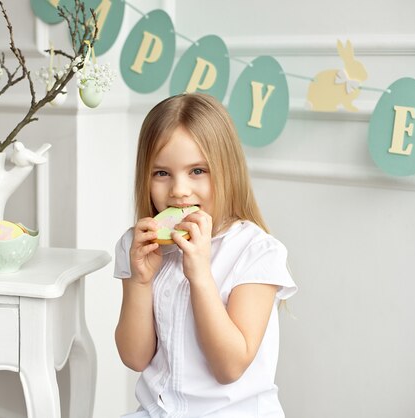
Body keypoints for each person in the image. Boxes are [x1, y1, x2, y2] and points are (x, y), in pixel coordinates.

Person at [114, 93, 297, 417]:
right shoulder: (139, 245)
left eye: (197, 171)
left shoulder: (254, 251)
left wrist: (199, 274)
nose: (179, 190)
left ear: (226, 170)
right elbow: (135, 357)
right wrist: (141, 282)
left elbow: (229, 366)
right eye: (161, 173)